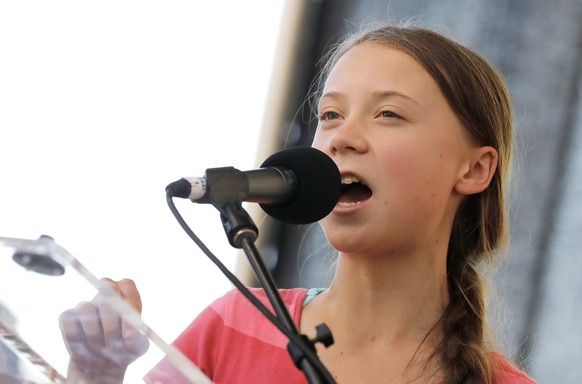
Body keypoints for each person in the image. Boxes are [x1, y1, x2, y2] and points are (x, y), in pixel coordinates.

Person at [59, 23, 537, 384]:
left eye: (388, 114)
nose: (342, 137)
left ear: (474, 169)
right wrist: (93, 373)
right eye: (330, 115)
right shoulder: (234, 326)